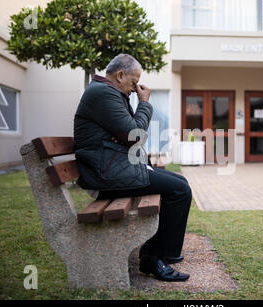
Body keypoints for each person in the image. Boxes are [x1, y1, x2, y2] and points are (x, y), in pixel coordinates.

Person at [73, 54, 191, 282]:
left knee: (181, 182)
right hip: (107, 175)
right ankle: (152, 257)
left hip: (115, 167)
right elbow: (135, 134)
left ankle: (167, 251)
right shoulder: (103, 93)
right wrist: (144, 103)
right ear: (119, 75)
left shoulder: (109, 92)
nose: (136, 88)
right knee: (179, 191)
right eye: (133, 82)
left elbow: (131, 133)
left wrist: (126, 134)